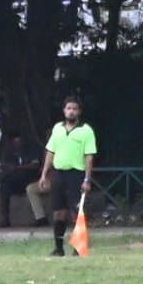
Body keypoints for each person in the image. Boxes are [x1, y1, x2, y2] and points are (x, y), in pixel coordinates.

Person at [37, 93, 96, 257]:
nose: (71, 112)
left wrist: (87, 179)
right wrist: (44, 174)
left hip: (76, 174)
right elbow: (50, 151)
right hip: (59, 174)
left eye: (74, 109)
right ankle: (58, 247)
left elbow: (89, 156)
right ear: (64, 110)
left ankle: (79, 247)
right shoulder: (57, 129)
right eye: (68, 108)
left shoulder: (86, 131)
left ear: (79, 112)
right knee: (58, 211)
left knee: (76, 211)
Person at [0, 132, 44, 228]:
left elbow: (35, 165)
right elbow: (5, 165)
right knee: (4, 185)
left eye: (19, 141)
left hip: (30, 178)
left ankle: (40, 218)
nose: (17, 144)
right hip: (16, 180)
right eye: (15, 142)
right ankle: (5, 218)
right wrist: (11, 168)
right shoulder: (10, 152)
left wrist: (19, 168)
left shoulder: (31, 149)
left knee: (25, 182)